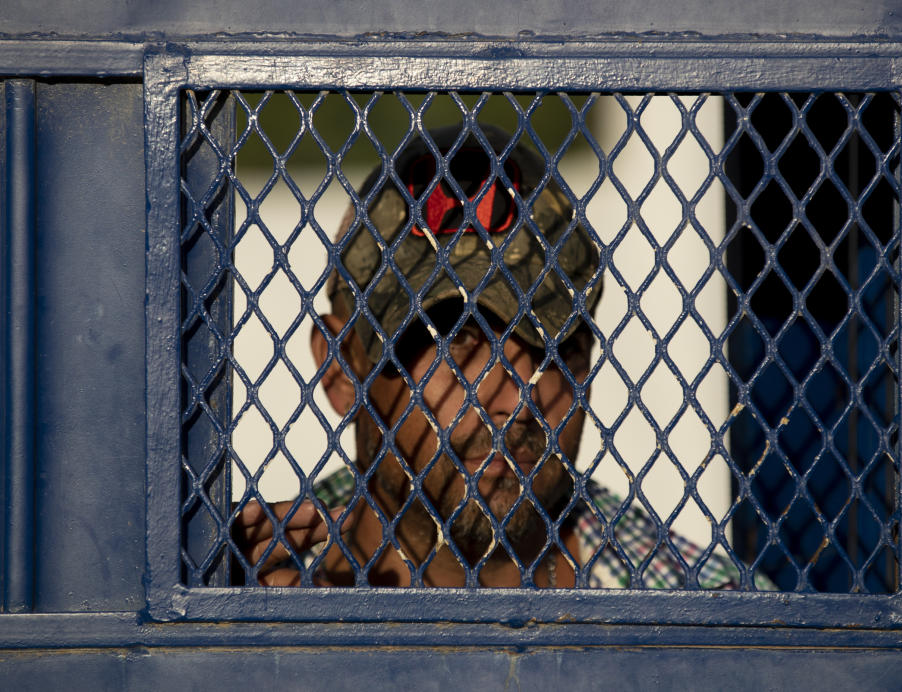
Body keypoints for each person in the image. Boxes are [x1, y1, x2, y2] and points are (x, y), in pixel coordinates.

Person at [237, 125, 771, 590]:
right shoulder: (232, 595)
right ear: (341, 367)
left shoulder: (717, 624)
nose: (515, 398)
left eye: (551, 347)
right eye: (457, 340)